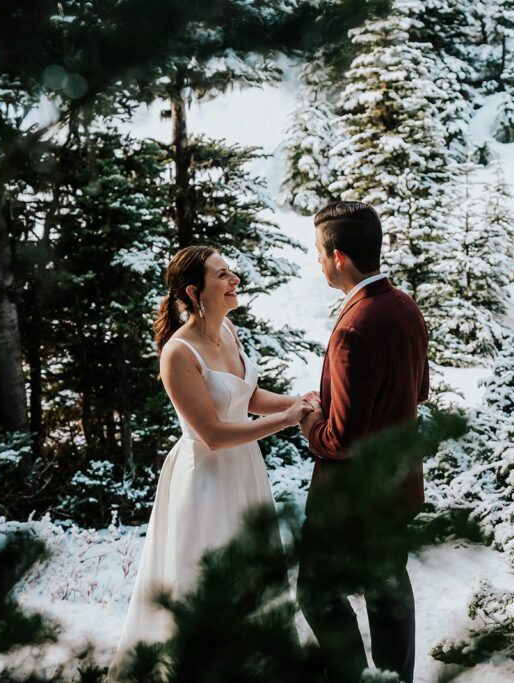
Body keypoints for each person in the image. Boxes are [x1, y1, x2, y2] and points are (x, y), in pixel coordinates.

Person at [112, 245, 317, 674]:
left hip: (245, 471)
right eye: (222, 275)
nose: (234, 280)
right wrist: (286, 420)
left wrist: (298, 401)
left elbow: (247, 397)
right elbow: (214, 434)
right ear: (194, 291)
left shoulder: (228, 330)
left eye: (231, 272)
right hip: (204, 479)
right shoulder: (178, 353)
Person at [298, 201, 430, 683]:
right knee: (388, 590)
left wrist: (311, 422)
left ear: (338, 257)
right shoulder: (405, 305)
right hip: (398, 485)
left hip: (350, 500)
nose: (318, 260)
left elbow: (342, 440)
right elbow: (418, 391)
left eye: (319, 251)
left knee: (317, 593)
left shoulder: (353, 328)